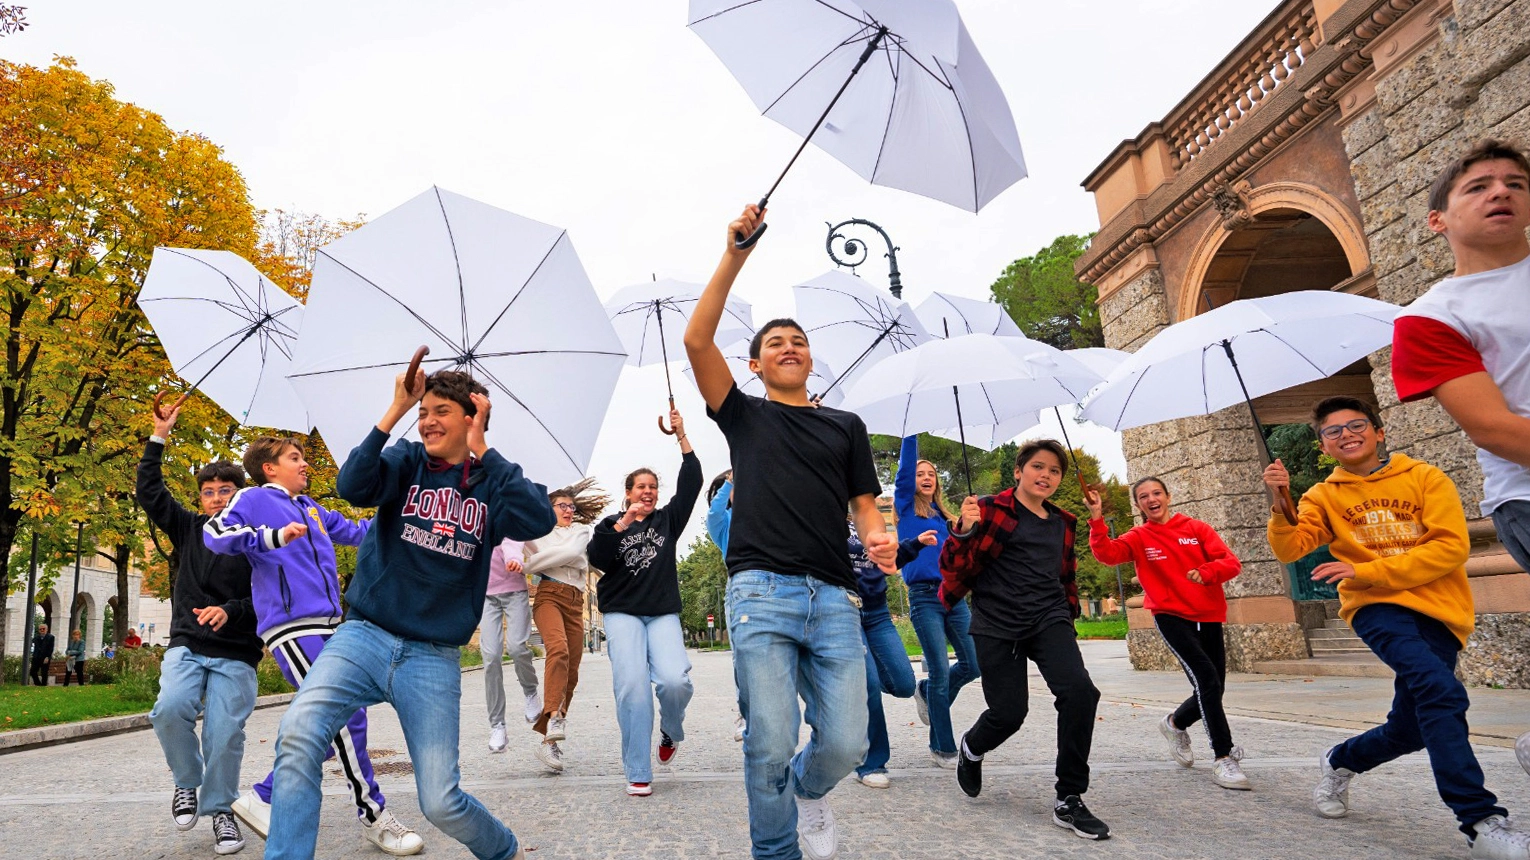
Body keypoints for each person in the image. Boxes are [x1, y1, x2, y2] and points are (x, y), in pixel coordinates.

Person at [258, 369, 555, 860]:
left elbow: (539, 518)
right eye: (423, 413)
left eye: (441, 412)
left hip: (432, 656)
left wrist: (485, 450)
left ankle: (505, 852)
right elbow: (352, 486)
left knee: (440, 801)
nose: (428, 422)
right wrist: (395, 410)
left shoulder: (494, 483)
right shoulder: (404, 460)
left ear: (472, 416)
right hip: (364, 636)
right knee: (297, 735)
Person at [685, 203, 898, 860]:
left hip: (835, 597)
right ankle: (776, 852)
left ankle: (810, 792)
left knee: (847, 743)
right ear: (754, 365)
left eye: (798, 341)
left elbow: (864, 502)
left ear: (811, 360)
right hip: (761, 594)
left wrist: (879, 533)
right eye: (774, 342)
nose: (788, 347)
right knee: (769, 739)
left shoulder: (846, 427)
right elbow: (697, 342)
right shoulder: (744, 417)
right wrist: (737, 253)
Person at [1263, 396, 1529, 859]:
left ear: (1378, 431)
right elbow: (1293, 547)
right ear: (1323, 444)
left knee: (1412, 727)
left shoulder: (1425, 477)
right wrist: (1278, 502)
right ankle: (1481, 821)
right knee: (1441, 692)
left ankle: (1341, 759)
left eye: (1356, 425)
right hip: (1376, 608)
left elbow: (1450, 548)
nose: (1346, 434)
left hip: (1440, 610)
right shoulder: (1322, 495)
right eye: (1333, 431)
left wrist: (1369, 569)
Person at [205, 436, 420, 856]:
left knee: (322, 724)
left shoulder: (311, 509)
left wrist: (403, 504)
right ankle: (374, 816)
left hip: (331, 625)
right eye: (295, 458)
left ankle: (264, 796)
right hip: (291, 626)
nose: (304, 465)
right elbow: (216, 533)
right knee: (347, 716)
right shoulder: (252, 498)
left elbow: (360, 533)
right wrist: (272, 537)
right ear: (269, 467)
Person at [1389, 138, 1530, 777]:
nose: (1500, 191)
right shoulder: (1431, 316)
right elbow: (1493, 428)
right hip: (1524, 492)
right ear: (1438, 219)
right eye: (1478, 186)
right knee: (1421, 708)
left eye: (1514, 183)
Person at [940, 440, 1109, 841]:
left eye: (1054, 470)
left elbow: (1065, 576)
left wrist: (1066, 615)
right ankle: (972, 747)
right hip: (996, 623)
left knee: (1081, 693)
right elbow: (951, 565)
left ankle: (1069, 797)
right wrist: (962, 531)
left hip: (1047, 618)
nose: (1046, 475)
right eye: (1038, 466)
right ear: (1018, 472)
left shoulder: (1062, 521)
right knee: (1010, 713)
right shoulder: (988, 510)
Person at [138, 403, 263, 854]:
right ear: (201, 499)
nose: (216, 497)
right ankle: (187, 783)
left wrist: (231, 610)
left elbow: (270, 600)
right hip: (188, 644)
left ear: (240, 494)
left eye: (225, 490)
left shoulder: (259, 540)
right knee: (169, 709)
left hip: (237, 650)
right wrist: (158, 436)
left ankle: (222, 811)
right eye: (208, 491)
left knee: (224, 735)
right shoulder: (190, 528)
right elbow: (151, 494)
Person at [1084, 478, 1247, 789]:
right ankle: (1223, 757)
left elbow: (1230, 563)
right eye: (1143, 496)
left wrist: (1207, 572)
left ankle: (1175, 723)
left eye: (1156, 493)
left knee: (1214, 688)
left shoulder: (1196, 529)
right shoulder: (1139, 536)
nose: (1151, 499)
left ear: (1168, 497)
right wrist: (1096, 519)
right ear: (1139, 505)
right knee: (1207, 681)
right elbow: (1108, 553)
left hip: (1208, 614)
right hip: (1170, 615)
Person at [588, 408, 701, 797]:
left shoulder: (667, 521)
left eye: (653, 486)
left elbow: (693, 482)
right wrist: (622, 524)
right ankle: (638, 769)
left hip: (662, 613)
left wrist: (681, 435)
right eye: (641, 487)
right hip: (622, 614)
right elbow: (598, 559)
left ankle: (671, 730)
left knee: (674, 682)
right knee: (633, 687)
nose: (648, 491)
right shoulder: (609, 526)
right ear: (628, 492)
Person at [894, 435, 977, 768]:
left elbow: (965, 551)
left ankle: (927, 692)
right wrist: (911, 432)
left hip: (954, 597)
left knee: (973, 664)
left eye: (930, 473)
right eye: (920, 473)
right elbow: (903, 473)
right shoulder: (904, 507)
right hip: (924, 597)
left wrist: (968, 525)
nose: (926, 477)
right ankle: (942, 746)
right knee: (941, 670)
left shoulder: (946, 517)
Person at [524, 477, 605, 774]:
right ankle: (555, 715)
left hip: (575, 602)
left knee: (571, 671)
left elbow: (572, 554)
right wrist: (539, 562)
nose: (569, 511)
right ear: (549, 508)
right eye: (562, 506)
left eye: (572, 506)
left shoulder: (581, 531)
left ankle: (550, 739)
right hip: (549, 596)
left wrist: (540, 561)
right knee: (557, 650)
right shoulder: (536, 533)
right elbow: (533, 562)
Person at [850, 522, 936, 789]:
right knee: (869, 686)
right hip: (844, 613)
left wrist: (916, 544)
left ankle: (917, 689)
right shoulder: (820, 521)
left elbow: (889, 559)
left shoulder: (861, 524)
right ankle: (871, 763)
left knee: (903, 684)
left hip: (876, 613)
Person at [481, 537, 541, 754]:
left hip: (515, 590)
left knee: (516, 647)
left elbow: (515, 543)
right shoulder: (476, 515)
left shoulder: (510, 512)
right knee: (490, 657)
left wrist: (516, 559)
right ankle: (497, 725)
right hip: (485, 595)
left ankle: (530, 691)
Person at [706, 470, 749, 745]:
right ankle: (746, 714)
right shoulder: (723, 523)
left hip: (776, 585)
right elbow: (713, 514)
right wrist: (731, 481)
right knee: (742, 657)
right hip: (740, 590)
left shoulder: (766, 513)